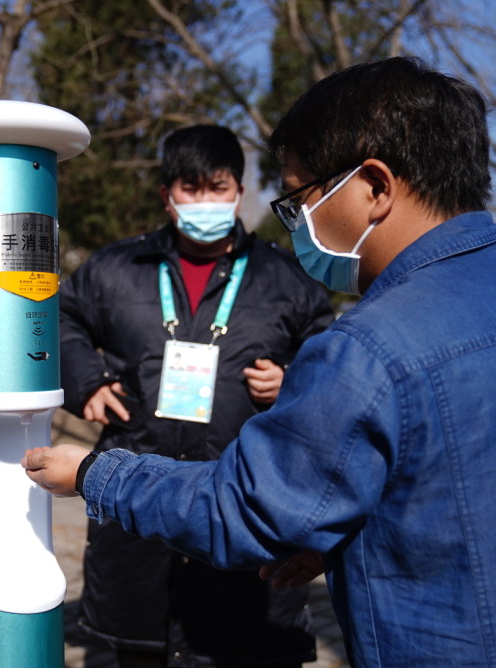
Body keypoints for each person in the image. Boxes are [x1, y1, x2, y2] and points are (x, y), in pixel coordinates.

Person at [25, 57, 496, 667]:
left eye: (299, 199)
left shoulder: (369, 348)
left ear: (374, 187)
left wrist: (94, 473)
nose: (295, 224)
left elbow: (241, 509)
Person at [59, 124, 335, 667]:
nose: (205, 201)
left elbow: (331, 359)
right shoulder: (115, 269)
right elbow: (58, 318)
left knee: (245, 649)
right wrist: (85, 383)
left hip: (244, 511)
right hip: (135, 511)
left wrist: (292, 381)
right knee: (141, 650)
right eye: (191, 188)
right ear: (168, 195)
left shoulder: (288, 278)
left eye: (218, 186)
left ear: (238, 192)